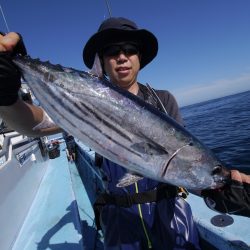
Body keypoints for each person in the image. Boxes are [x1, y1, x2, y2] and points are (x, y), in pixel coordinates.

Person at [0, 18, 201, 249]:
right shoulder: (81, 100)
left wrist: (222, 182)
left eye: (130, 49)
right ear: (102, 62)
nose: (122, 56)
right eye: (112, 51)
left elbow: (188, 162)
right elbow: (32, 125)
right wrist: (6, 99)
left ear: (139, 57)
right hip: (120, 221)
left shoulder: (163, 101)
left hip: (169, 212)